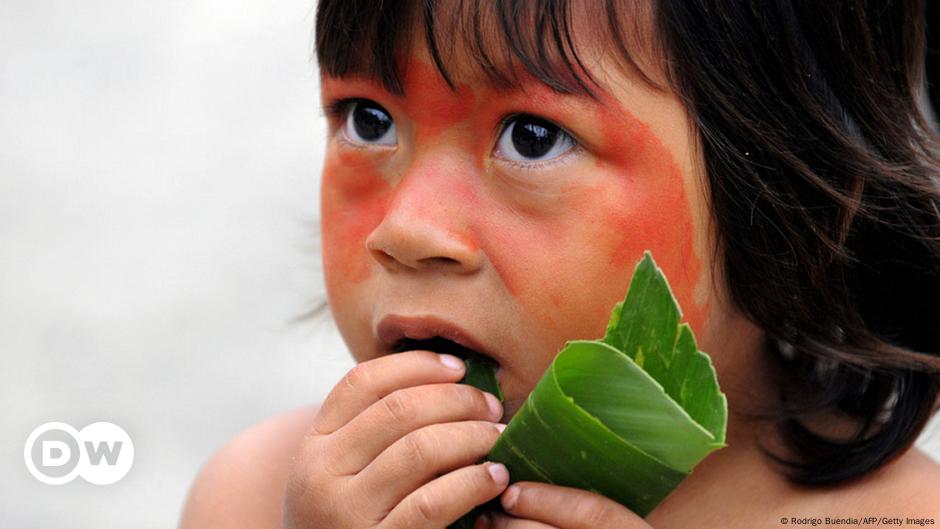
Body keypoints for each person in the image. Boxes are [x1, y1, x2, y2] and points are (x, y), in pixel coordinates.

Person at [180, 1, 940, 527]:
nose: (407, 229)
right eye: (368, 121)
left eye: (534, 137)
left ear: (798, 200)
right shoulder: (256, 496)